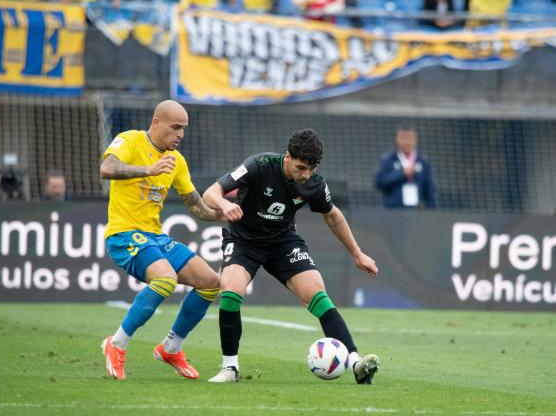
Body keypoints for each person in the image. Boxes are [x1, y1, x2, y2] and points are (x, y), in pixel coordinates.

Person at [203, 128, 380, 384]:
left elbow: (333, 215)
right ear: (287, 157)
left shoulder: (314, 183)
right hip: (244, 240)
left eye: (311, 168)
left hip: (283, 243)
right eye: (300, 168)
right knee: (230, 290)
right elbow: (211, 192)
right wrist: (225, 204)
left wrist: (358, 253)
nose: (305, 175)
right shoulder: (259, 165)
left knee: (317, 294)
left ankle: (355, 363)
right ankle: (230, 368)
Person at [99, 99, 224, 380]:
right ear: (156, 123)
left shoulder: (177, 161)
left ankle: (171, 348)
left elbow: (196, 207)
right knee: (165, 279)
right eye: (175, 127)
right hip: (123, 234)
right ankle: (116, 343)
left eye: (184, 129)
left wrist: (227, 213)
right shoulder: (129, 140)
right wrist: (148, 170)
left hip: (154, 237)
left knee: (211, 283)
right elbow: (106, 169)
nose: (180, 134)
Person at [375, 127, 436, 209]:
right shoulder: (388, 160)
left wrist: (431, 211)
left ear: (415, 139)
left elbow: (429, 190)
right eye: (404, 138)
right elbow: (380, 182)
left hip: (417, 212)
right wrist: (402, 173)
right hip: (393, 211)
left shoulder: (423, 162)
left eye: (410, 138)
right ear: (397, 139)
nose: (407, 142)